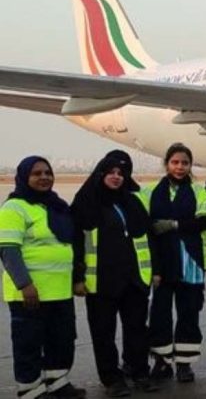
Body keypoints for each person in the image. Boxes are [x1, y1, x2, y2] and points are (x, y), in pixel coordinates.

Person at [0, 157, 86, 399]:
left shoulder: (56, 206)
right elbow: (8, 249)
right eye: (36, 173)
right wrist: (25, 284)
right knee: (28, 343)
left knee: (62, 339)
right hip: (30, 292)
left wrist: (76, 279)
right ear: (24, 177)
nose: (44, 177)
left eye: (48, 172)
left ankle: (57, 382)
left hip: (59, 290)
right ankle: (30, 389)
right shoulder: (14, 207)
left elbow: (71, 245)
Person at [72, 154, 158, 396]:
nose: (116, 177)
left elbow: (149, 237)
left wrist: (155, 271)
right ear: (100, 173)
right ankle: (111, 378)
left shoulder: (132, 202)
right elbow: (76, 243)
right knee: (103, 333)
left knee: (137, 330)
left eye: (121, 174)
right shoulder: (86, 202)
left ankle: (138, 371)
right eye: (111, 172)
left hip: (134, 279)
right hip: (101, 281)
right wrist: (77, 278)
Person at [142, 143, 206, 382]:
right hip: (162, 263)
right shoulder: (150, 192)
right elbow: (147, 227)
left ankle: (184, 363)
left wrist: (173, 225)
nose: (180, 167)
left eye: (184, 163)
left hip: (190, 261)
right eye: (175, 162)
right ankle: (161, 361)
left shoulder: (197, 191)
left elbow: (204, 221)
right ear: (166, 164)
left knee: (189, 313)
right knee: (160, 314)